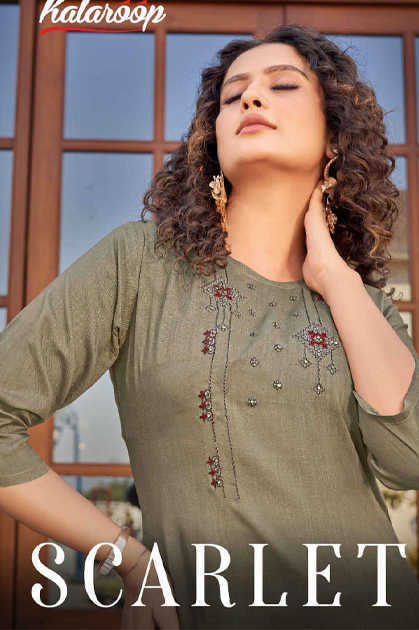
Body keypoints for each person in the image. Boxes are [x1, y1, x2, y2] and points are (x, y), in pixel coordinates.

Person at [0, 23, 418, 630]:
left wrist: (335, 276)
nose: (252, 98)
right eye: (233, 95)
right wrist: (130, 559)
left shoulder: (364, 307)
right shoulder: (140, 263)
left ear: (335, 138)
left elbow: (409, 459)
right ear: (212, 139)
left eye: (282, 85)